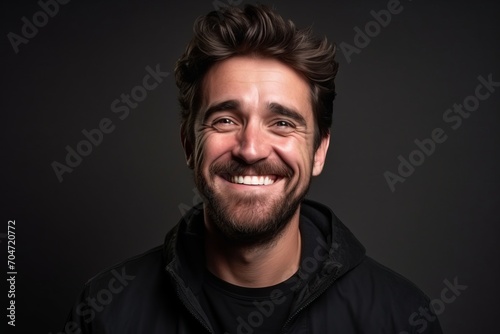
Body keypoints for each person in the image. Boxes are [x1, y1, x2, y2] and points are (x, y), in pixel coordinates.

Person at [65, 4, 443, 333]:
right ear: (188, 145)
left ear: (318, 151)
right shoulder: (104, 313)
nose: (250, 149)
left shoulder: (400, 317)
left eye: (282, 123)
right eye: (226, 120)